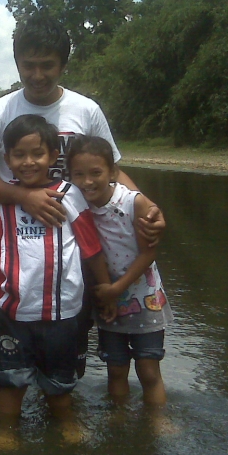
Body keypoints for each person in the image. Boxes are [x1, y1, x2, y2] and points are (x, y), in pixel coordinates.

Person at [0, 13, 165, 402]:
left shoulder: (85, 110)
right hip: (12, 249)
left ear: (63, 64)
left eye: (47, 65)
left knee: (67, 342)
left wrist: (146, 206)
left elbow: (112, 170)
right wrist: (25, 197)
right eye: (28, 65)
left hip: (75, 248)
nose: (37, 74)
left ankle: (58, 413)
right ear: (17, 62)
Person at [0, 114, 111, 449]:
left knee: (60, 385)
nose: (28, 161)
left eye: (37, 153)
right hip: (13, 315)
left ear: (53, 157)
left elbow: (91, 250)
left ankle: (65, 424)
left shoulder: (71, 196)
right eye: (19, 154)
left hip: (63, 316)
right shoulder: (4, 203)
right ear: (7, 160)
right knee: (11, 383)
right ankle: (6, 430)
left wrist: (107, 293)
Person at [66, 135, 173, 411]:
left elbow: (149, 253)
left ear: (113, 172)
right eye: (78, 174)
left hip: (143, 298)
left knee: (148, 370)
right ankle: (119, 421)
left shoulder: (132, 203)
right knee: (115, 369)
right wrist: (108, 292)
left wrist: (118, 287)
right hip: (108, 301)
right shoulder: (78, 205)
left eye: (96, 173)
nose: (87, 181)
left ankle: (158, 420)